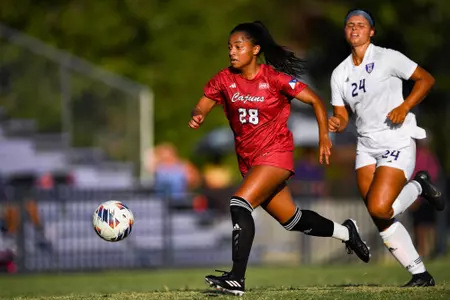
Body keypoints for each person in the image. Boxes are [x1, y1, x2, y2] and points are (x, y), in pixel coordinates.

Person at [188, 20, 370, 296]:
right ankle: (346, 232)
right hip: (250, 162)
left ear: (255, 49)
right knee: (292, 220)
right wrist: (199, 114)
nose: (232, 52)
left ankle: (236, 278)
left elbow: (315, 101)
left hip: (276, 155)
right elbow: (205, 100)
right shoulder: (224, 79)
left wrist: (323, 137)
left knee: (239, 204)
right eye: (230, 47)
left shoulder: (274, 78)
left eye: (239, 46)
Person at [328, 9, 445, 287]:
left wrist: (405, 107)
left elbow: (426, 79)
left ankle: (419, 186)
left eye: (361, 25)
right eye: (349, 25)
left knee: (381, 207)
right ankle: (421, 274)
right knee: (379, 215)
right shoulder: (339, 73)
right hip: (366, 146)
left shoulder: (387, 57)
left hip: (396, 139)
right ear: (345, 32)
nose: (354, 28)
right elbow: (343, 116)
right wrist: (337, 121)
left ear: (371, 32)